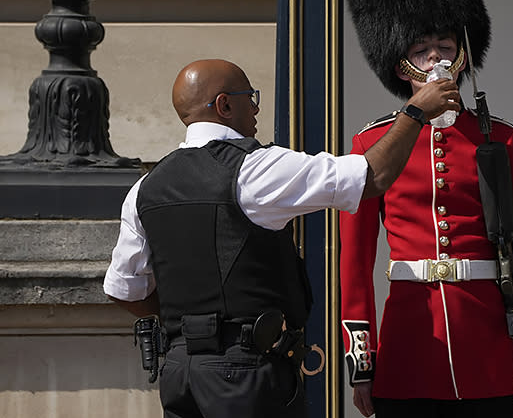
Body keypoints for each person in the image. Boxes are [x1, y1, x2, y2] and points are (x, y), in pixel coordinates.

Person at [102, 58, 460, 418]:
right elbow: (373, 176)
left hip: (180, 374)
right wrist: (414, 113)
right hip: (244, 374)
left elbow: (124, 290)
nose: (256, 108)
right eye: (249, 98)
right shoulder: (255, 169)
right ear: (225, 105)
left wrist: (193, 323)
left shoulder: (144, 188)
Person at [340, 0, 513, 418]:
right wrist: (362, 361)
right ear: (402, 67)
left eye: (445, 45)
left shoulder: (502, 140)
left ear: (463, 57)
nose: (437, 58)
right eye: (422, 50)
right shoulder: (372, 144)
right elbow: (355, 263)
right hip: (408, 346)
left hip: (484, 344)